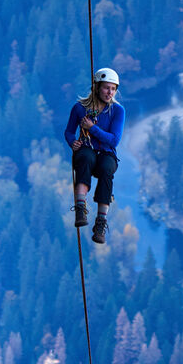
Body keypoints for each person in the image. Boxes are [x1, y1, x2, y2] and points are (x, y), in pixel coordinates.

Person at [63, 67, 125, 244]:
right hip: (87, 149)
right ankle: (81, 207)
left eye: (113, 89)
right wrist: (72, 142)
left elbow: (113, 141)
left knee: (106, 168)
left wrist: (92, 128)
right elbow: (68, 131)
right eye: (106, 88)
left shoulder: (117, 111)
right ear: (97, 87)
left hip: (106, 153)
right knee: (85, 158)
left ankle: (100, 223)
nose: (110, 92)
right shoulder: (80, 108)